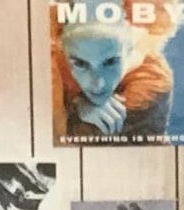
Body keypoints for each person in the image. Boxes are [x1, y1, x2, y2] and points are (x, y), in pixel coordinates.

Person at [53, 10, 175, 141]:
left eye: (110, 62)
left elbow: (78, 140)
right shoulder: (57, 57)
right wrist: (76, 104)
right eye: (81, 64)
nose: (98, 84)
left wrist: (74, 110)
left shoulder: (151, 81)